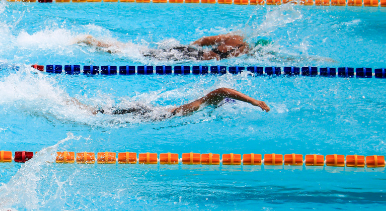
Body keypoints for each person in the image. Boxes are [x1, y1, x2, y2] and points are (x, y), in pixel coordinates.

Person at [69, 87, 270, 120]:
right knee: (96, 114)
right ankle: (76, 106)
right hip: (149, 113)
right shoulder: (203, 103)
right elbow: (222, 91)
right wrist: (254, 101)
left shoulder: (202, 107)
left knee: (101, 112)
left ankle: (79, 106)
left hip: (151, 112)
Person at [77, 33, 273, 61]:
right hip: (191, 58)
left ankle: (99, 42)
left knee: (142, 51)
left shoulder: (235, 37)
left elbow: (204, 39)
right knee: (142, 55)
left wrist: (189, 47)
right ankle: (96, 42)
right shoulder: (242, 50)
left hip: (189, 51)